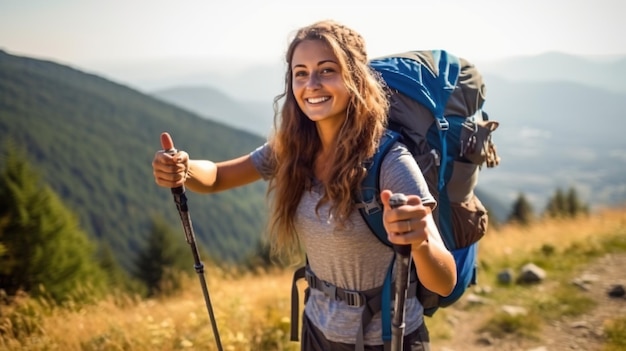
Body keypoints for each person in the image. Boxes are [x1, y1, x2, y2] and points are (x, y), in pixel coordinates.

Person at [152, 19, 456, 351]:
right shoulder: (294, 150)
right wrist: (184, 167)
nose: (311, 84)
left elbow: (444, 281)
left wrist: (420, 242)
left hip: (386, 340)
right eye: (301, 73)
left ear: (355, 78)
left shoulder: (389, 161)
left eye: (327, 70)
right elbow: (217, 178)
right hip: (316, 330)